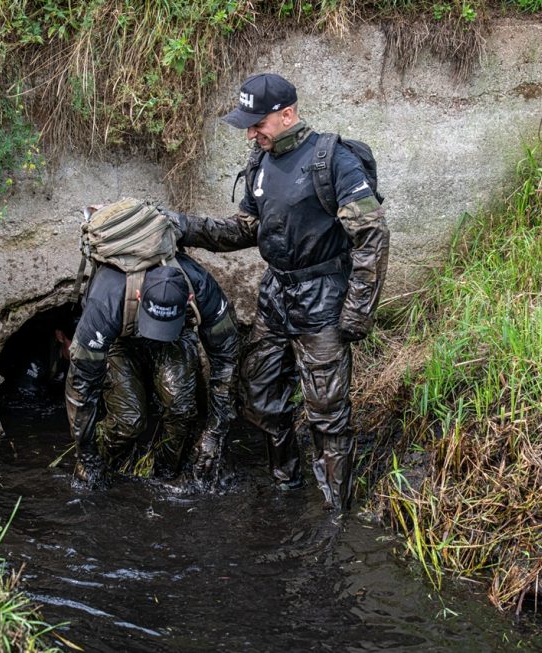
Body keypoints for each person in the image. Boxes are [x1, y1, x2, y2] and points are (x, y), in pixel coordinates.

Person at [165, 73, 390, 511]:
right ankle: (287, 484)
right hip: (276, 295)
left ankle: (333, 512)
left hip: (323, 297)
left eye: (257, 123)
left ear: (287, 114)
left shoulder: (334, 160)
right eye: (248, 125)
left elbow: (372, 237)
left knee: (326, 412)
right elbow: (246, 229)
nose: (251, 133)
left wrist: (358, 310)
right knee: (260, 396)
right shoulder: (260, 162)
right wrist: (183, 225)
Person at [65, 254, 239, 489]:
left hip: (176, 339)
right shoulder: (105, 302)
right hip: (120, 341)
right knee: (128, 420)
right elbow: (81, 383)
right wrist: (86, 455)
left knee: (182, 408)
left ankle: (165, 475)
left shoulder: (203, 288)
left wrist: (215, 432)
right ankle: (107, 465)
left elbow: (226, 359)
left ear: (188, 299)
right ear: (139, 295)